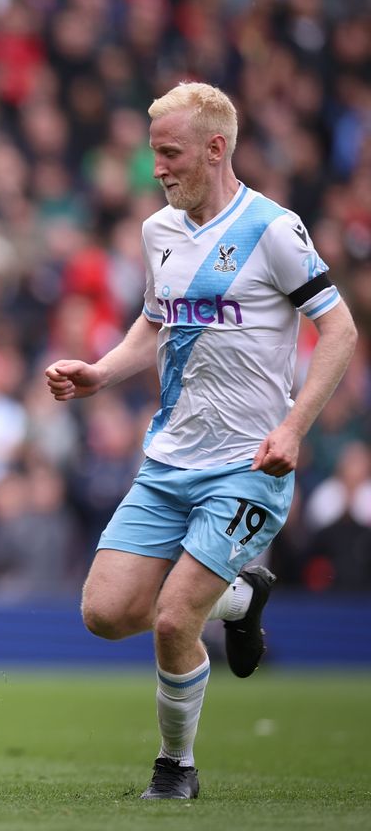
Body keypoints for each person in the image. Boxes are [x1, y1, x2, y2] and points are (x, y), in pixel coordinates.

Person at [45, 82, 358, 800]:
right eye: (154, 153)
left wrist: (293, 427)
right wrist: (100, 373)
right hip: (168, 459)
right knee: (103, 614)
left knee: (171, 620)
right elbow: (153, 327)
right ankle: (242, 598)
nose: (157, 169)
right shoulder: (159, 232)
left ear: (216, 148)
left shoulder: (274, 229)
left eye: (170, 153)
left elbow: (339, 331)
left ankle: (175, 767)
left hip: (248, 463)